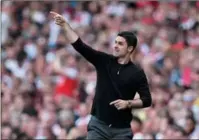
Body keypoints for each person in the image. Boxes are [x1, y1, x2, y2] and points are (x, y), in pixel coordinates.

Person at [50, 11, 152, 140]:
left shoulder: (137, 73)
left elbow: (147, 100)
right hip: (98, 125)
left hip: (122, 130)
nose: (115, 46)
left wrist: (128, 104)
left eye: (120, 44)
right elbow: (80, 46)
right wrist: (66, 26)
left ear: (130, 49)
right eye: (115, 42)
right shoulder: (104, 61)